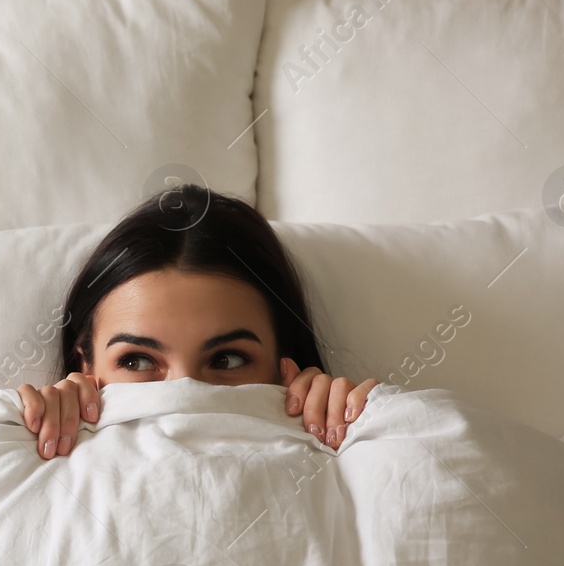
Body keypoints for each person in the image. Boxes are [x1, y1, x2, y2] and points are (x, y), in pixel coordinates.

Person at [18, 184, 377, 459]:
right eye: (137, 361)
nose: (185, 394)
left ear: (286, 368)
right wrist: (29, 427)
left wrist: (361, 425)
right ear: (85, 367)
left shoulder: (358, 443)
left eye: (226, 360)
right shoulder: (18, 447)